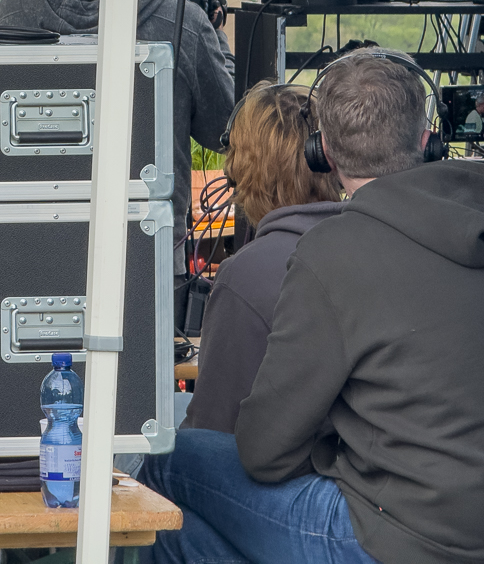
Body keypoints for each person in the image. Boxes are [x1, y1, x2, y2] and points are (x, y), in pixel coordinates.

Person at [139, 49, 484, 564]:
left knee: (164, 460)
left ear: (323, 151)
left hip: (398, 536)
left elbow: (264, 452)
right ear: (427, 140)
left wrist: (330, 456)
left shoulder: (333, 255)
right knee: (179, 534)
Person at [0, 0, 235, 265]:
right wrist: (215, 34)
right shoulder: (181, 21)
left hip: (34, 253)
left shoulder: (13, 11)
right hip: (151, 258)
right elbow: (224, 130)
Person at [180, 82, 343, 434]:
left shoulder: (246, 275)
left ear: (240, 169)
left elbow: (214, 424)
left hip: (293, 462)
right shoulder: (370, 242)